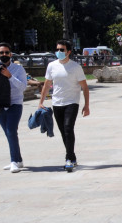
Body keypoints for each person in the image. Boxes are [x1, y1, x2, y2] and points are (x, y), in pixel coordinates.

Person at [38, 39, 90, 172]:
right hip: (57, 103)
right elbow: (47, 84)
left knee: (68, 128)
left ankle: (68, 158)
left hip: (72, 102)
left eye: (62, 50)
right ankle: (72, 157)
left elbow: (84, 87)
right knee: (63, 131)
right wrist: (41, 102)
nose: (59, 52)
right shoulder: (52, 66)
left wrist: (86, 105)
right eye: (58, 49)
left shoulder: (75, 67)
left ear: (68, 52)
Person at [0, 43, 27, 173]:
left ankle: (14, 161)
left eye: (6, 52)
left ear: (11, 54)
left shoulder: (18, 69)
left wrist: (10, 76)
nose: (4, 55)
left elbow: (23, 87)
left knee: (11, 131)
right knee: (8, 133)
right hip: (0, 104)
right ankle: (18, 160)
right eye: (1, 53)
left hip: (15, 103)